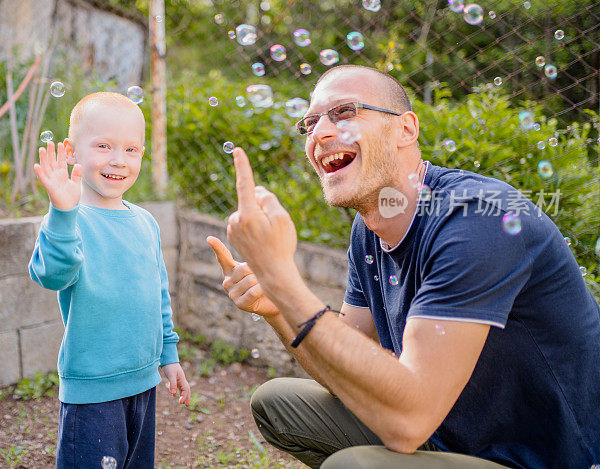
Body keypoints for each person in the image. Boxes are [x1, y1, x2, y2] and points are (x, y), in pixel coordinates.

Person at [206, 65, 600, 468]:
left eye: (344, 112)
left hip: (542, 458)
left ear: (405, 129)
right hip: (445, 430)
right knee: (278, 403)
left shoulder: (480, 218)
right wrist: (276, 306)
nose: (320, 133)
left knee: (353, 465)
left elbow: (408, 423)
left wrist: (283, 280)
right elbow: (346, 369)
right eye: (309, 123)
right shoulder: (369, 229)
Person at [29, 91, 190, 469]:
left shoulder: (146, 222)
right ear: (71, 151)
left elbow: (158, 295)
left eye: (132, 149)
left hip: (143, 383)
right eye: (103, 145)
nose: (118, 160)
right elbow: (52, 275)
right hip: (92, 393)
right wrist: (62, 213)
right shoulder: (68, 221)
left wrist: (169, 355)